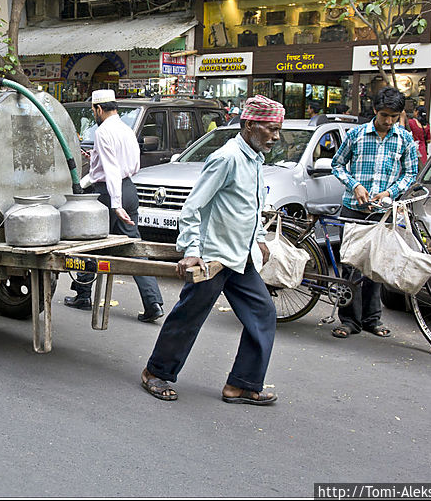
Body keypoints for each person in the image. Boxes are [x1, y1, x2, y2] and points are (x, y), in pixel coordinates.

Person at [140, 95, 283, 405]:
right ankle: (156, 372)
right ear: (248, 126)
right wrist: (191, 249)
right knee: (189, 315)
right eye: (270, 129)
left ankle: (242, 384)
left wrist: (258, 238)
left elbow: (252, 207)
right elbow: (192, 207)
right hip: (213, 257)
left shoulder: (255, 159)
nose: (275, 136)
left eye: (277, 129)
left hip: (240, 257)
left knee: (263, 313)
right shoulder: (227, 157)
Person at [64, 89, 165, 323]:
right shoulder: (126, 130)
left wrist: (116, 204)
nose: (94, 114)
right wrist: (94, 157)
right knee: (134, 249)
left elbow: (111, 170)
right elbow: (128, 164)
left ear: (99, 109)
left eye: (93, 111)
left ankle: (82, 295)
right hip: (129, 189)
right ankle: (154, 302)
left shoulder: (103, 131)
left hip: (109, 194)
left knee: (92, 243)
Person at [330, 87, 418, 339]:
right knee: (351, 266)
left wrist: (391, 192)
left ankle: (372, 319)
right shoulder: (356, 135)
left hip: (382, 213)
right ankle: (349, 321)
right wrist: (355, 185)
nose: (388, 121)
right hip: (353, 210)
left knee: (376, 267)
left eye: (394, 116)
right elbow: (337, 164)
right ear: (375, 111)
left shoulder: (405, 139)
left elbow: (410, 173)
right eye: (384, 115)